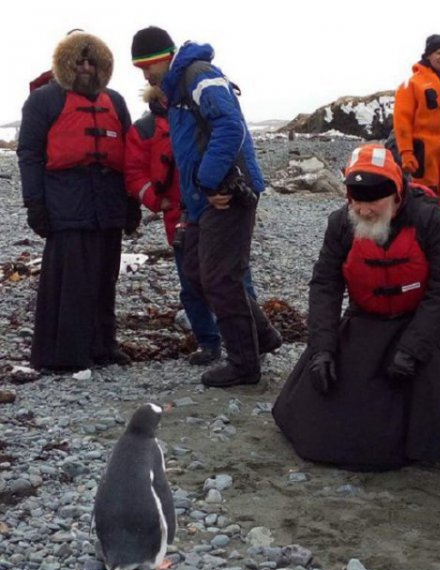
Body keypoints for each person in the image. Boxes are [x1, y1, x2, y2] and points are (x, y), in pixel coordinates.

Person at [272, 144, 440, 471]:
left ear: (397, 195)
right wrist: (322, 348)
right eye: (356, 199)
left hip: (417, 325)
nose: (364, 209)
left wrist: (412, 349)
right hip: (364, 322)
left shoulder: (431, 221)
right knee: (319, 408)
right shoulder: (340, 225)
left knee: (426, 409)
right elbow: (325, 286)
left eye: (374, 200)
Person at [130, 26, 281, 388]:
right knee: (198, 270)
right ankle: (263, 336)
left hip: (227, 193)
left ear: (163, 57)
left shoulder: (198, 75)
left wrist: (210, 180)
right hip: (203, 198)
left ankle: (245, 364)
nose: (145, 75)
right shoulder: (178, 87)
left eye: (146, 66)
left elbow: (230, 127)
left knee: (219, 277)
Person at [18, 31, 139, 371]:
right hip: (67, 203)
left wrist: (132, 204)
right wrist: (35, 204)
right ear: (65, 63)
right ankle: (65, 354)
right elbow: (29, 154)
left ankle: (103, 346)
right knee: (69, 281)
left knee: (105, 277)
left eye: (92, 61)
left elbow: (129, 155)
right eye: (79, 60)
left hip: (109, 202)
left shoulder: (114, 101)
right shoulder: (44, 100)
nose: (86, 66)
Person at [124, 85, 258, 366]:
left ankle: (251, 341)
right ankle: (209, 341)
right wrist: (154, 199)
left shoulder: (199, 116)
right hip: (180, 218)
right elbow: (134, 171)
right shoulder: (144, 130)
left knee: (234, 279)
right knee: (192, 283)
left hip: (217, 209)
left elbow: (229, 149)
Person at [393, 34, 440, 204]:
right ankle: (424, 229)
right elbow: (402, 121)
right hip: (425, 151)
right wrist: (406, 153)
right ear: (428, 54)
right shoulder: (412, 84)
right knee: (425, 196)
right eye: (438, 53)